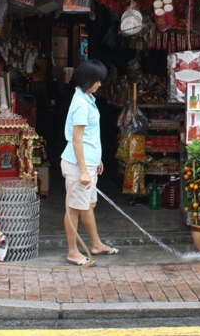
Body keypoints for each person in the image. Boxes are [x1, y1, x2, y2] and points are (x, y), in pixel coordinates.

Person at [61, 58, 119, 266]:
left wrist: (97, 160)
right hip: (78, 165)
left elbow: (89, 137)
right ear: (87, 80)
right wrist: (84, 171)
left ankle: (96, 244)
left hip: (88, 162)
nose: (100, 84)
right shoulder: (81, 105)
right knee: (74, 208)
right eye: (97, 80)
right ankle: (72, 252)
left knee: (89, 204)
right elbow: (77, 140)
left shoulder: (86, 99)